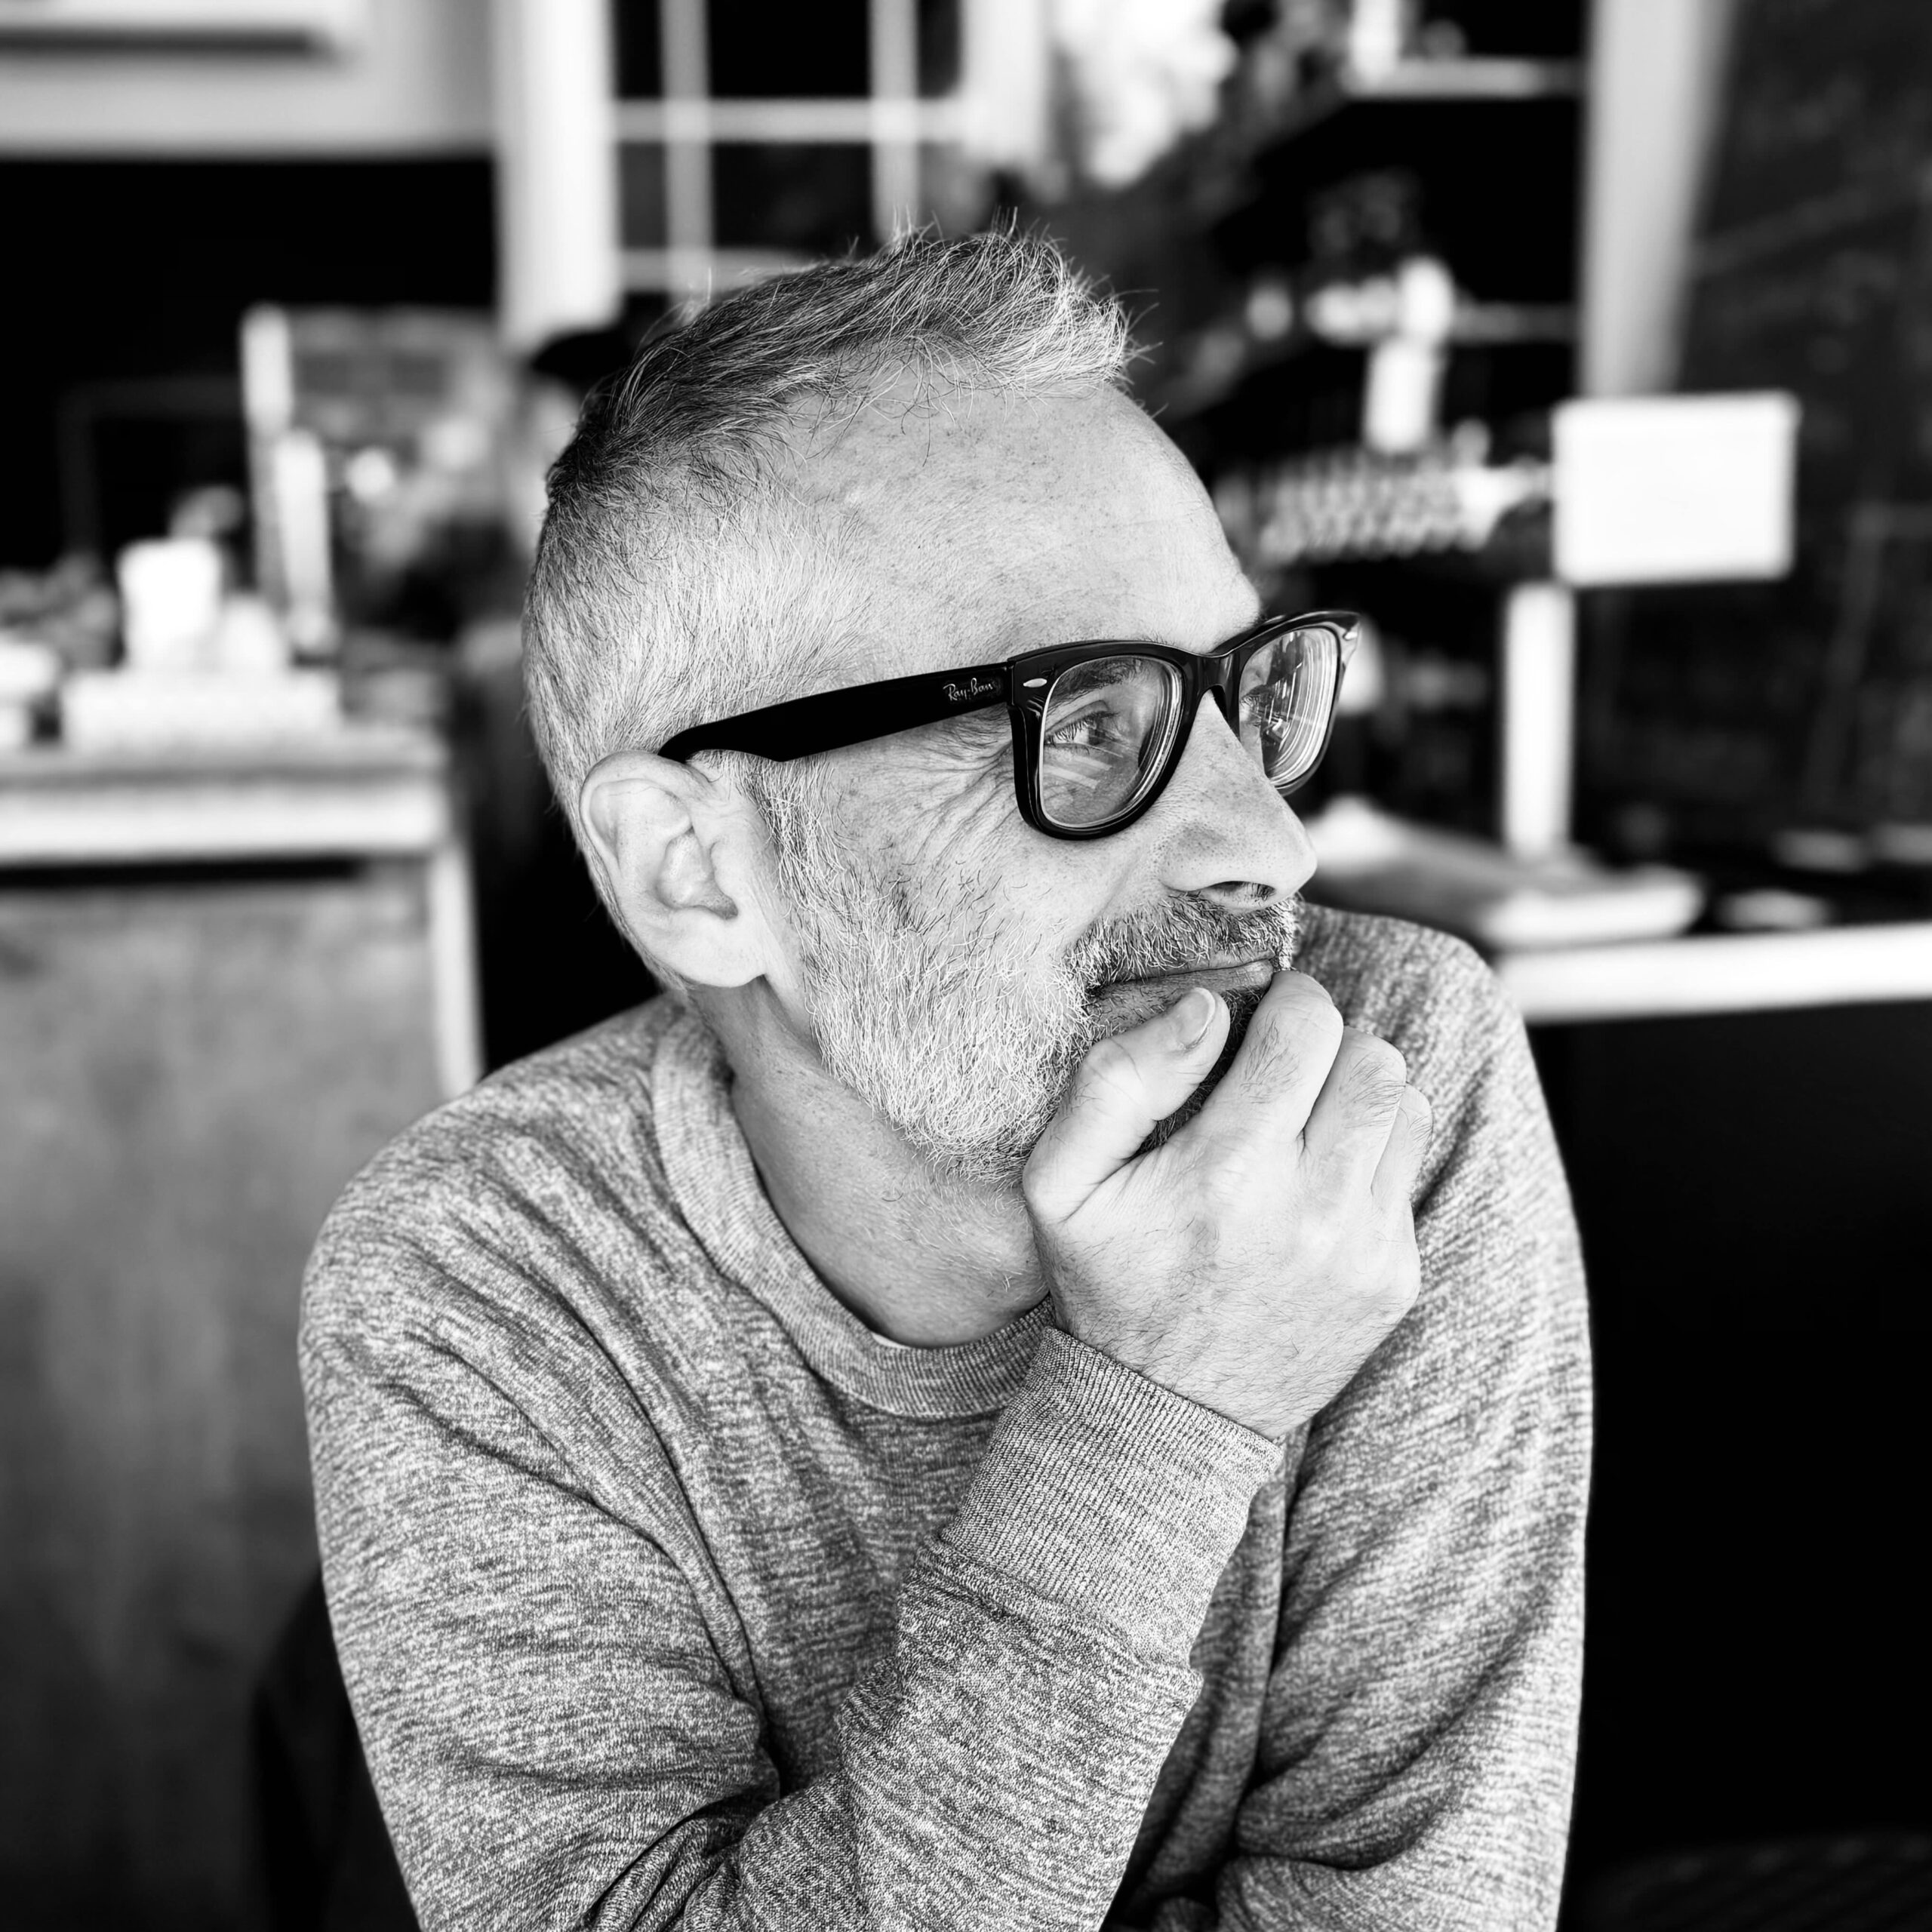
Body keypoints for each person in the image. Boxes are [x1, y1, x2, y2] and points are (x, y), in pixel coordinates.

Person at [301, 229, 1590, 1932]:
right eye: (1086, 725)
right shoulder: (483, 1283)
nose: (1268, 844)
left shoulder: (1382, 1078)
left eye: (1244, 693)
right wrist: (1154, 1419)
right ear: (697, 870)